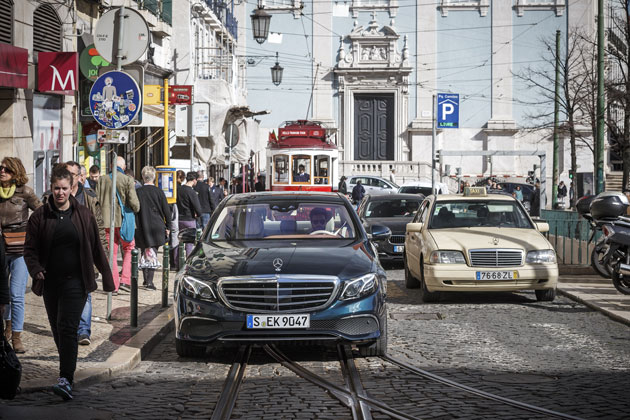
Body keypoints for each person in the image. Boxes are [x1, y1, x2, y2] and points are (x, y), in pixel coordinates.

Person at [24, 166, 114, 401]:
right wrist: (36, 270)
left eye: (64, 188)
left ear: (71, 188)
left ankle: (65, 379)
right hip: (50, 282)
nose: (60, 193)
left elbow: (96, 247)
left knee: (67, 327)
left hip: (77, 281)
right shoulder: (40, 216)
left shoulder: (83, 214)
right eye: (56, 188)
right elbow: (30, 250)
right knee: (57, 330)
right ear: (51, 188)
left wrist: (107, 276)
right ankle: (67, 368)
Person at [0, 157, 42, 354]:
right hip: (0, 248)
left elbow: (41, 213)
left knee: (16, 294)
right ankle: (6, 328)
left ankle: (16, 335)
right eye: (1, 168)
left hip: (19, 249)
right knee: (3, 295)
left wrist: (32, 234)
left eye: (7, 169)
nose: (2, 171)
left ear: (15, 172)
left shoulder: (24, 192)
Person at [64, 162, 108, 346]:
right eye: (66, 174)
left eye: (73, 174)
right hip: (63, 254)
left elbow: (98, 227)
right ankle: (67, 327)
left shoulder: (89, 197)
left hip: (85, 253)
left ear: (80, 177)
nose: (70, 177)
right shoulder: (56, 196)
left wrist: (102, 254)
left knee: (86, 292)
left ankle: (83, 331)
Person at [96, 156, 140, 293]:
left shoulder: (102, 180)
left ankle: (113, 285)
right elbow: (134, 203)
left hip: (106, 222)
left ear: (110, 166)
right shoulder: (127, 179)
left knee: (111, 253)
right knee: (129, 248)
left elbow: (96, 200)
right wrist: (136, 208)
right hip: (124, 221)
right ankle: (125, 281)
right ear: (124, 167)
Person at [135, 166, 170, 290]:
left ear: (143, 177)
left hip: (141, 225)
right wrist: (169, 226)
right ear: (154, 178)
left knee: (144, 251)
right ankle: (149, 282)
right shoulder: (159, 192)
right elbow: (167, 210)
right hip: (156, 225)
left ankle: (146, 279)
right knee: (152, 252)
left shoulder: (138, 192)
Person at [176, 172, 202, 258]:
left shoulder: (179, 189)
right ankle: (188, 261)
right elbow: (198, 209)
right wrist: (198, 215)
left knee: (179, 241)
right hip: (189, 219)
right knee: (189, 243)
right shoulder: (192, 192)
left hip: (179, 219)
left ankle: (177, 262)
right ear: (194, 180)